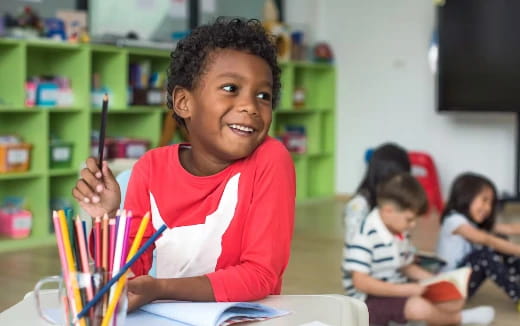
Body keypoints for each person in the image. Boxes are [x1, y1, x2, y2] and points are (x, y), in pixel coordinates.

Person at [72, 17, 296, 311]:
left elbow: (260, 275)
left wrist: (161, 288)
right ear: (184, 102)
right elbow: (130, 274)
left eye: (263, 96)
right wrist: (107, 219)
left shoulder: (270, 159)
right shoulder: (150, 168)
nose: (250, 107)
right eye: (231, 88)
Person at [343, 173, 495, 325]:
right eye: (409, 219)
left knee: (455, 300)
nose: (413, 225)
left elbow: (405, 265)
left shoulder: (399, 230)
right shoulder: (363, 236)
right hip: (367, 301)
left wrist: (435, 280)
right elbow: (361, 282)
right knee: (418, 307)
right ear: (388, 210)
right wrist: (404, 290)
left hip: (396, 288)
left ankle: (415, 318)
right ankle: (459, 319)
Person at [436, 172, 520, 303]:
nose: (488, 208)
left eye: (491, 203)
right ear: (465, 196)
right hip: (449, 287)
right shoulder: (454, 220)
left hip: (461, 283)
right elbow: (486, 240)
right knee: (483, 254)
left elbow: (509, 228)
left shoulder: (472, 223)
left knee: (500, 239)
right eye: (484, 200)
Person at [344, 142, 411, 243]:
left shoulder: (393, 198)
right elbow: (354, 243)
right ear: (383, 174)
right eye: (399, 178)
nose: (402, 184)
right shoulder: (359, 205)